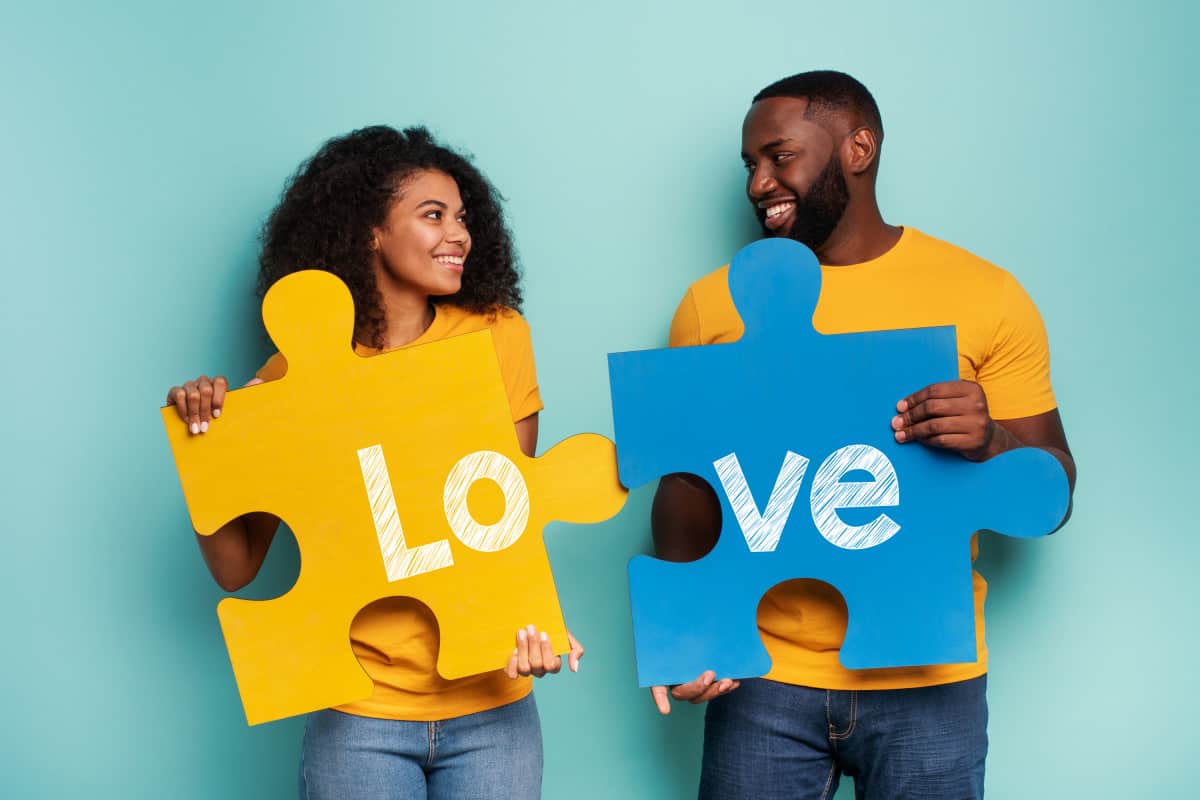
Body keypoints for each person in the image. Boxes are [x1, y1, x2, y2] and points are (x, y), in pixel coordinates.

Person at [649, 71, 1077, 799]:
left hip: (930, 677)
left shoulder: (985, 296)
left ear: (859, 147)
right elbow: (686, 483)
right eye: (749, 165)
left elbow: (1054, 495)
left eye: (779, 156)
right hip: (764, 677)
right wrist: (687, 629)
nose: (759, 183)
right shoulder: (710, 306)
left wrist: (991, 441)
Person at [165, 125, 580, 799]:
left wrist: (531, 631)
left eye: (463, 217)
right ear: (369, 234)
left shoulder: (496, 335)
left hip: (493, 707)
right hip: (357, 714)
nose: (459, 235)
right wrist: (204, 448)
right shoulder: (290, 377)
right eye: (432, 215)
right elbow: (236, 567)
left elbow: (506, 523)